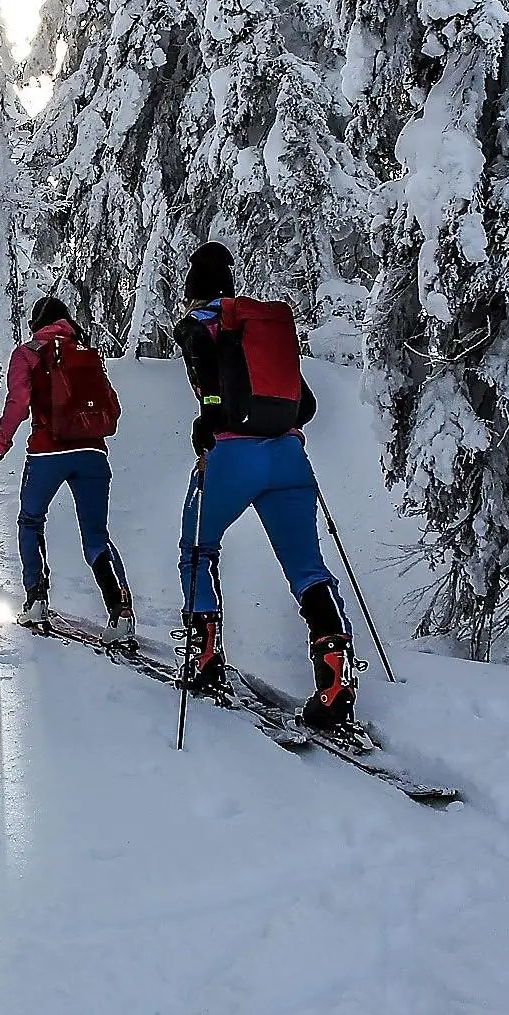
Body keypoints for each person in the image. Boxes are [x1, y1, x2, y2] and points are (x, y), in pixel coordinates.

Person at [172, 242, 357, 731]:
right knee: (308, 569)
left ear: (193, 287)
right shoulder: (256, 329)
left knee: (196, 549)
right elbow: (307, 404)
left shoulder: (197, 326)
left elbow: (210, 395)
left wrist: (206, 431)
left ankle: (205, 655)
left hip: (233, 456)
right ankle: (336, 677)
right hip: (289, 457)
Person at [0, 295, 134, 645]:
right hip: (93, 453)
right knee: (97, 536)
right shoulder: (86, 354)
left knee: (30, 521)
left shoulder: (28, 353)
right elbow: (113, 407)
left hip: (48, 453)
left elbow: (18, 403)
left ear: (38, 323)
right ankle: (121, 614)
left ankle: (36, 600)